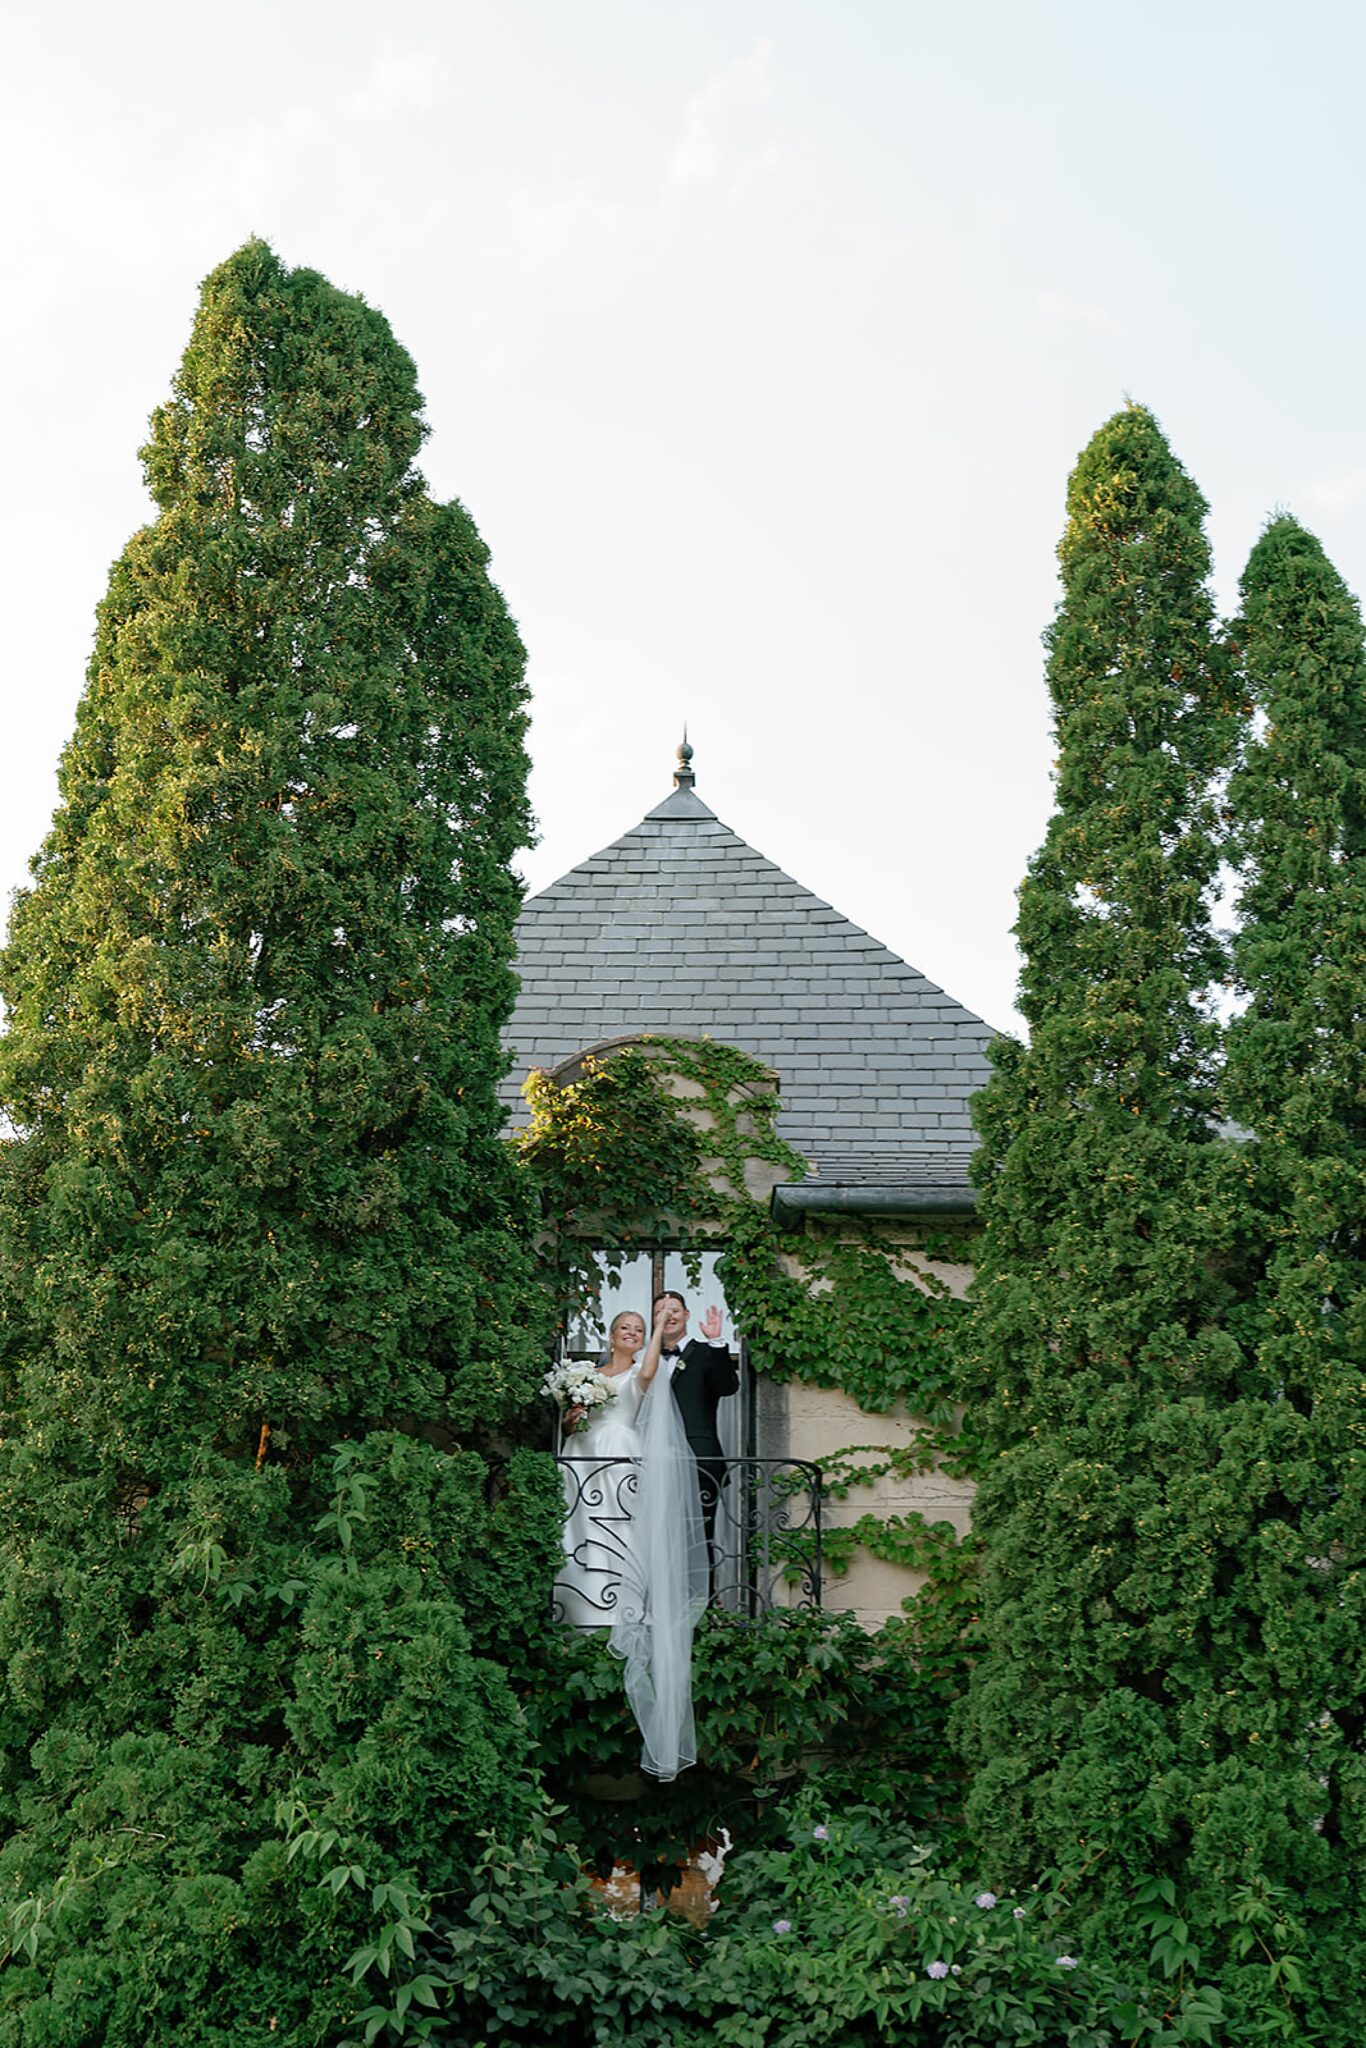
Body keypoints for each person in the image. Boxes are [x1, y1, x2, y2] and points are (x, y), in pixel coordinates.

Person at [556, 1309, 659, 1629]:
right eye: (625, 1328)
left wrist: (658, 1329)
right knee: (578, 1525)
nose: (632, 1333)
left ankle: (619, 1609)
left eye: (639, 1330)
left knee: (615, 1523)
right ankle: (578, 1611)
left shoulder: (639, 1372)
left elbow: (649, 1372)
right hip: (581, 1450)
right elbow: (569, 1426)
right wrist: (571, 1418)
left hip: (617, 1450)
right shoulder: (587, 1374)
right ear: (612, 1337)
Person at [654, 1290, 739, 1572]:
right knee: (656, 1539)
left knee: (699, 1540)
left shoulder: (705, 1353)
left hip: (699, 1460)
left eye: (674, 1310)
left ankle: (704, 1598)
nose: (668, 1316)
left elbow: (728, 1387)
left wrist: (717, 1342)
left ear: (687, 1315)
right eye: (660, 1311)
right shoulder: (645, 1358)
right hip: (652, 1459)